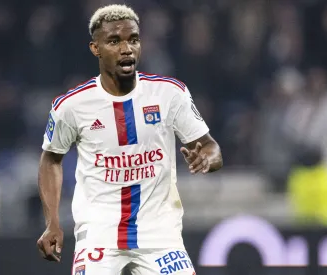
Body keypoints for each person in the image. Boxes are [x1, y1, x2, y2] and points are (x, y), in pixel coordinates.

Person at [37, 4, 223, 275]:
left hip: (159, 234)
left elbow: (210, 146)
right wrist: (52, 221)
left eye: (133, 39)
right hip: (99, 233)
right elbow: (51, 159)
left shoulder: (170, 94)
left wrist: (207, 158)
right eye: (114, 41)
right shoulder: (72, 105)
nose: (126, 49)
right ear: (95, 48)